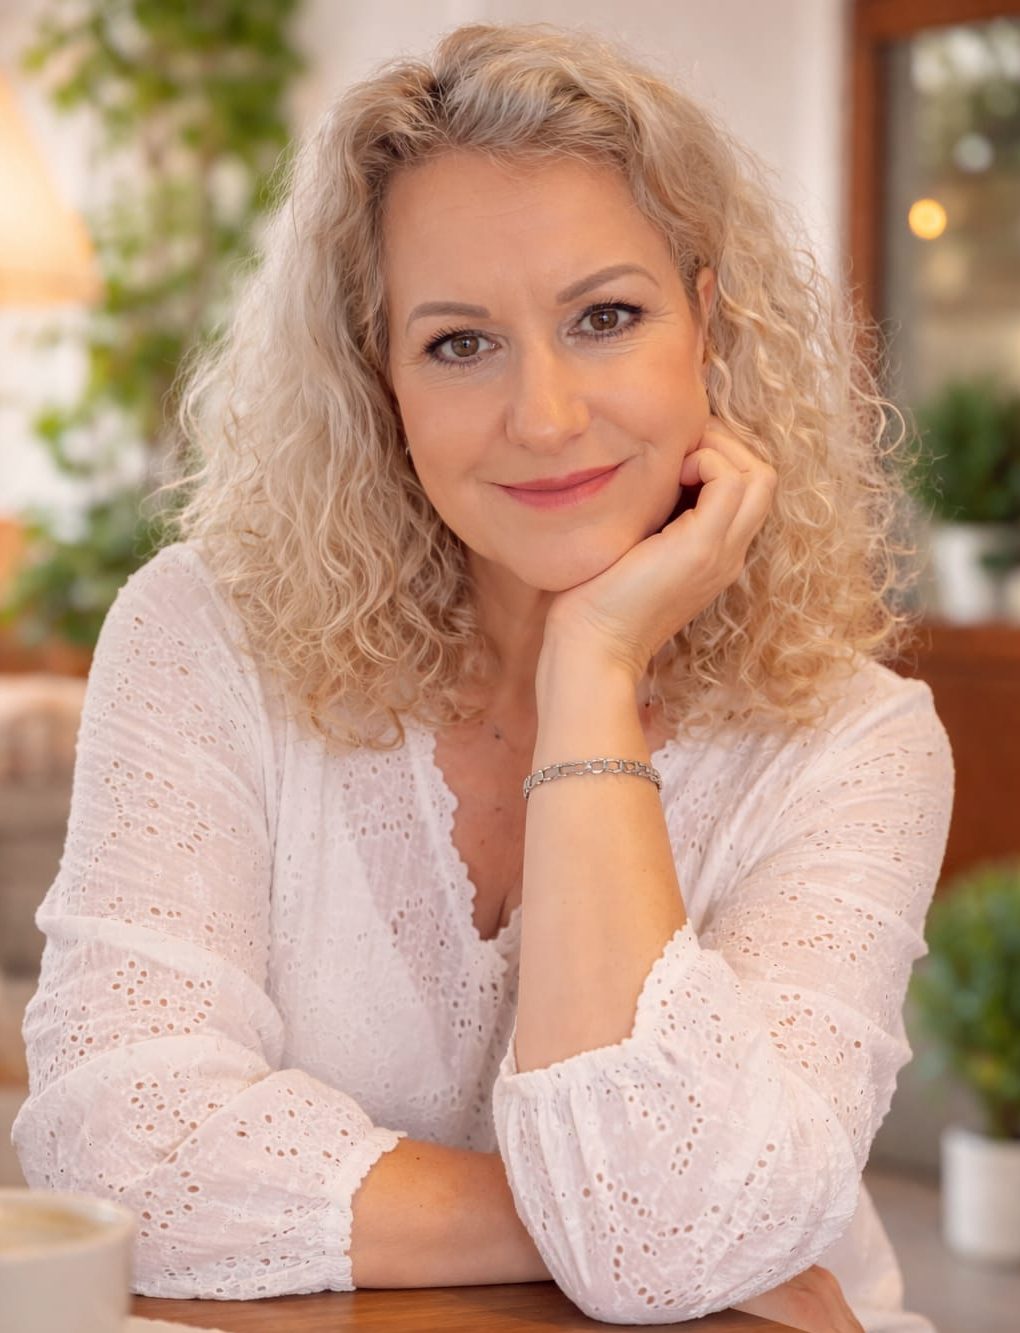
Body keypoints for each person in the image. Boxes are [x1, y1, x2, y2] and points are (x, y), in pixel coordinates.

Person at [13, 22, 951, 1331]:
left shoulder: (854, 741)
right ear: (379, 374)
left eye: (606, 318)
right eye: (460, 342)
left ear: (707, 324)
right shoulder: (205, 636)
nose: (547, 417)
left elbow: (669, 1238)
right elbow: (115, 1148)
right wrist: (580, 1228)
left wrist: (594, 664)